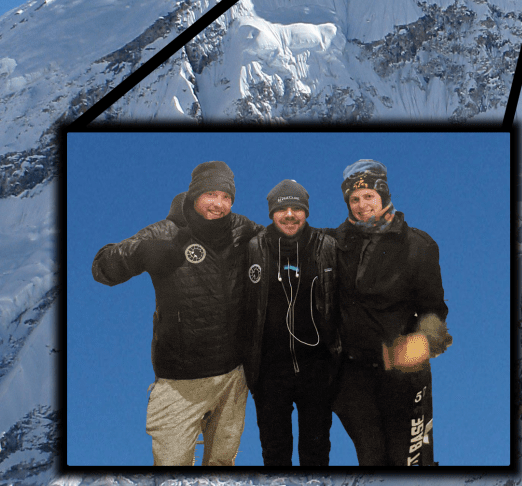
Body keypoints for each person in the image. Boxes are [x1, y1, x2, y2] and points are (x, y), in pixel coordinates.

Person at [91, 161, 257, 466]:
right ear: (194, 195)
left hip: (233, 376)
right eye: (211, 195)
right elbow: (102, 267)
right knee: (171, 470)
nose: (219, 204)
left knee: (221, 465)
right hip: (180, 381)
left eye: (226, 197)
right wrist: (140, 254)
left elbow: (285, 245)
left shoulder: (241, 229)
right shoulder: (166, 232)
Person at [331, 159, 452, 466]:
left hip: (404, 376)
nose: (361, 206)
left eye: (368, 196)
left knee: (411, 463)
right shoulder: (333, 244)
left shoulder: (417, 245)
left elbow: (434, 310)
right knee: (373, 463)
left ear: (383, 195)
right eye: (354, 199)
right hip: (352, 378)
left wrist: (418, 346)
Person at [243, 179, 339, 467]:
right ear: (271, 213)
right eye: (282, 208)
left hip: (317, 368)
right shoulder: (253, 248)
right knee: (274, 453)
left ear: (306, 212)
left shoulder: (327, 246)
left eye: (296, 208)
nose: (289, 215)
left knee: (317, 452)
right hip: (270, 371)